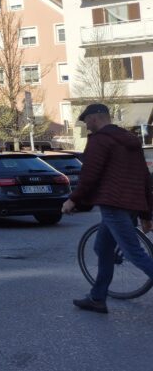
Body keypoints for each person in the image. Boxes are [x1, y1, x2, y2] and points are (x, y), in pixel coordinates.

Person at [62, 103, 153, 314]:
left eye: (86, 122)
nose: (86, 127)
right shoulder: (131, 141)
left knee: (134, 253)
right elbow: (144, 179)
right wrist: (146, 214)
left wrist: (72, 200)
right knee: (102, 249)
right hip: (129, 205)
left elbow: (89, 176)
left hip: (113, 205)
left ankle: (97, 297)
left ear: (95, 118)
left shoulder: (99, 141)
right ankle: (97, 298)